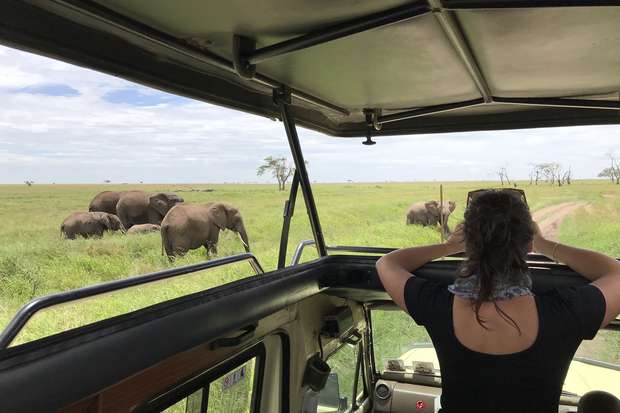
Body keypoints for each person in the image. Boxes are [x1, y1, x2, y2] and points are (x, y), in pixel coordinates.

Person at [376, 190, 620, 413]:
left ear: (469, 243)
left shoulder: (437, 305)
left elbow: (387, 264)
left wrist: (448, 246)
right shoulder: (567, 313)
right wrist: (545, 245)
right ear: (528, 244)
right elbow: (616, 273)